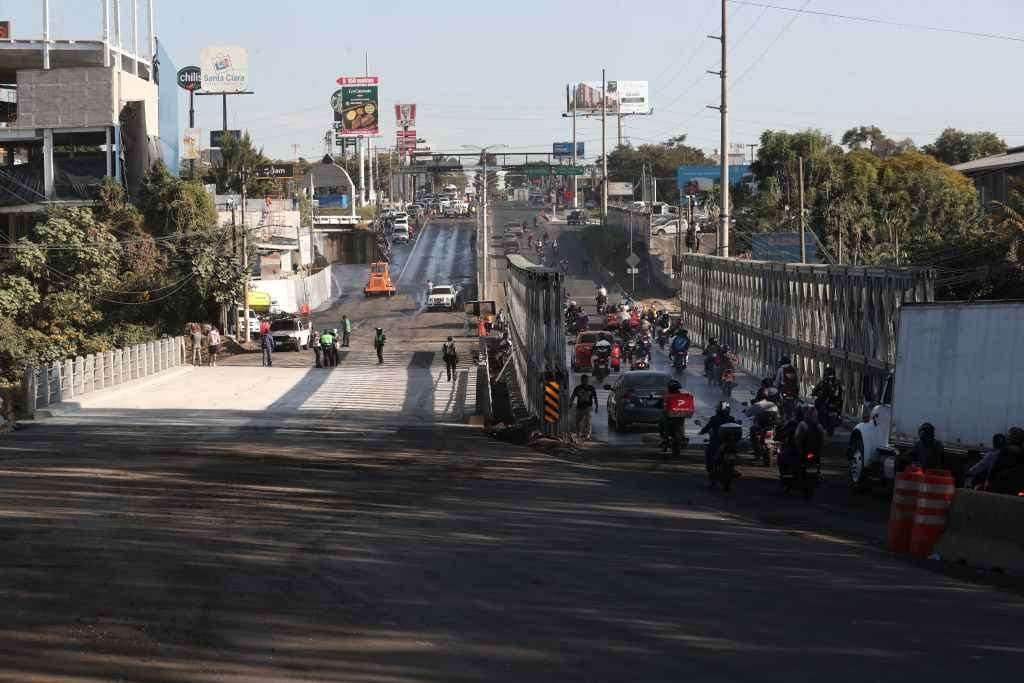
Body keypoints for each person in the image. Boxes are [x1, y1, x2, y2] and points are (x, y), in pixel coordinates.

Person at [699, 401, 734, 473]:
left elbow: (707, 428)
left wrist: (701, 432)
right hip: (729, 441)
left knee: (709, 452)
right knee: (733, 453)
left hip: (717, 441)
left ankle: (710, 468)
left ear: (718, 409)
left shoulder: (714, 418)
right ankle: (732, 467)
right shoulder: (731, 418)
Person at [812, 365, 844, 434]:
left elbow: (815, 390)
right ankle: (837, 417)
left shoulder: (824, 381)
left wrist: (814, 393)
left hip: (828, 403)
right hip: (836, 404)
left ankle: (817, 421)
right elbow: (841, 392)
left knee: (817, 404)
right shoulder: (837, 382)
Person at [570, 374, 599, 440]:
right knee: (578, 421)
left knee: (588, 421)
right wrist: (570, 403)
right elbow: (573, 396)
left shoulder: (591, 388)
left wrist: (597, 406)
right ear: (581, 381)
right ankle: (578, 433)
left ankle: (587, 435)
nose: (585, 382)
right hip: (579, 407)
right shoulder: (578, 388)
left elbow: (595, 398)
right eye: (583, 380)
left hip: (588, 407)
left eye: (586, 380)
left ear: (587, 381)